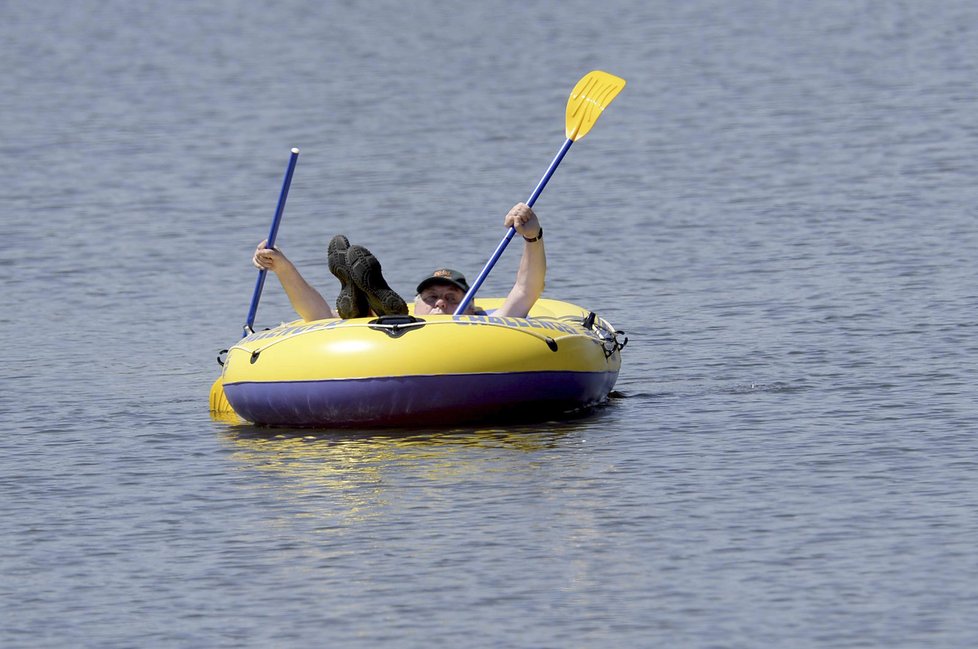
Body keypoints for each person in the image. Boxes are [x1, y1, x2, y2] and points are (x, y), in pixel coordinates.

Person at [252, 202, 545, 321]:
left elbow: (525, 289)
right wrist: (282, 267)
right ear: (415, 304)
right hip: (398, 339)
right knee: (356, 323)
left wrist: (532, 237)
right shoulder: (414, 318)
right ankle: (365, 303)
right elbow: (318, 317)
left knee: (374, 321)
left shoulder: (488, 324)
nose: (441, 303)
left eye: (452, 297)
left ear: (472, 307)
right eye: (431, 297)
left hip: (461, 343)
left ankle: (370, 304)